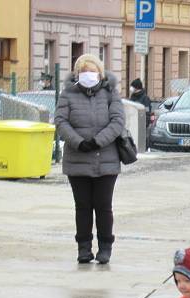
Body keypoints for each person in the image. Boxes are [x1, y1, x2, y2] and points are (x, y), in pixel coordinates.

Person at [55, 54, 124, 265]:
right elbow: (60, 121)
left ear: (100, 73)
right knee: (83, 206)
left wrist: (97, 142)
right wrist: (79, 142)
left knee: (103, 206)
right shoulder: (67, 94)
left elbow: (117, 121)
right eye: (83, 71)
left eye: (92, 71)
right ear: (77, 74)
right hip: (77, 160)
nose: (88, 75)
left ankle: (105, 247)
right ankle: (83, 248)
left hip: (107, 160)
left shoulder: (111, 93)